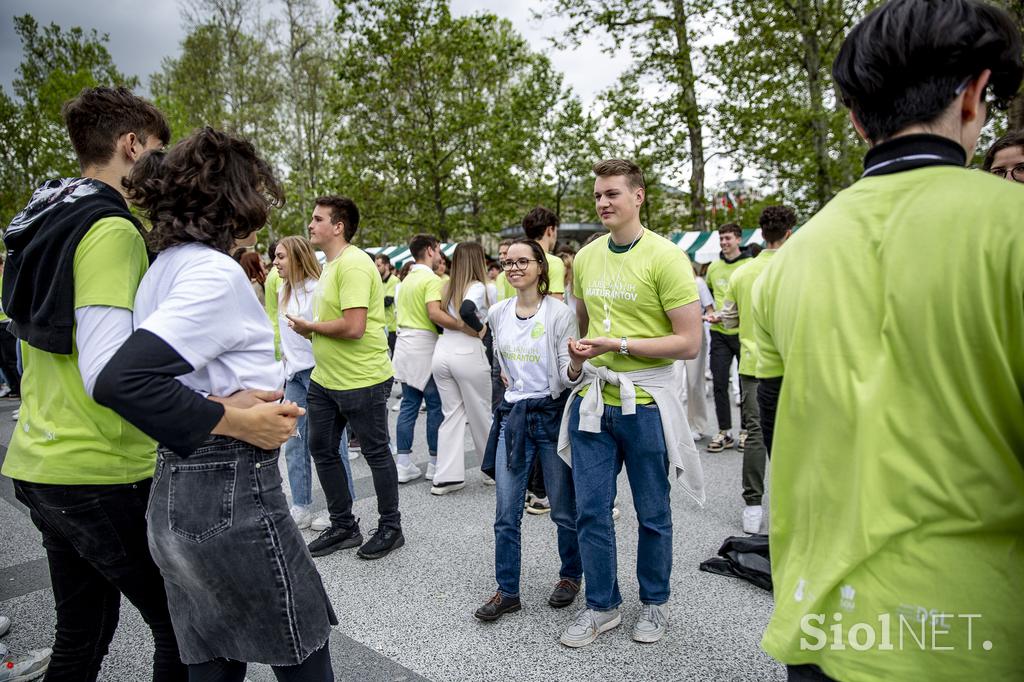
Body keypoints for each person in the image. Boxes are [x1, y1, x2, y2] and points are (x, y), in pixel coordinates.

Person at [752, 1, 1023, 679]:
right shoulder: (1011, 226)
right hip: (975, 635)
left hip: (823, 627)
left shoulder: (784, 262)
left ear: (854, 117)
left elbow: (779, 422)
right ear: (973, 95)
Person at [92, 126, 333, 680]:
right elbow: (121, 379)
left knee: (213, 652)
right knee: (301, 643)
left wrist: (215, 404)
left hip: (178, 485)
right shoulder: (213, 272)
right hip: (230, 486)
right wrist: (238, 420)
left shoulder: (166, 266)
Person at [0, 86, 187, 681]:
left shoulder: (46, 219)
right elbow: (109, 371)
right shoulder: (110, 228)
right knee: (184, 626)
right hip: (98, 468)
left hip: (39, 460)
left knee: (81, 637)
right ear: (132, 146)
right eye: (157, 150)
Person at [557, 159, 704, 648]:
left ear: (638, 197)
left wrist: (618, 344)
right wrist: (579, 358)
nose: (603, 202)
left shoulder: (666, 258)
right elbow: (583, 324)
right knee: (591, 510)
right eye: (598, 194)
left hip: (646, 403)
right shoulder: (588, 256)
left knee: (652, 512)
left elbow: (688, 342)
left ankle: (655, 604)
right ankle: (601, 607)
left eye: (613, 194)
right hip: (594, 400)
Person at [285, 195, 402, 561]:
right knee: (321, 447)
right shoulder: (330, 265)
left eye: (318, 219)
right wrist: (312, 332)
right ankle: (344, 526)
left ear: (338, 226)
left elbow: (354, 326)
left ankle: (390, 527)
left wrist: (311, 327)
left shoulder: (353, 264)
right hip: (326, 379)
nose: (310, 225)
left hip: (362, 379)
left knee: (375, 453)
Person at [474, 239, 584, 621]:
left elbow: (569, 378)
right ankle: (508, 591)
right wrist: (504, 377)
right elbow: (498, 358)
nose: (515, 267)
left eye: (523, 261)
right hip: (515, 417)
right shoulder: (499, 311)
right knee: (506, 512)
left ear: (541, 266)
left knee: (563, 510)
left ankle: (570, 575)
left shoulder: (559, 314)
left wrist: (574, 366)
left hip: (551, 416)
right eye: (508, 262)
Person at [709, 205, 795, 535]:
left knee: (757, 433)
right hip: (793, 362)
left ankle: (753, 505)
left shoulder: (742, 274)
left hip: (753, 363)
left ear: (761, 233)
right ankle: (795, 506)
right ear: (789, 233)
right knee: (797, 434)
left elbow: (728, 318)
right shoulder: (798, 266)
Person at [273, 235, 356, 530]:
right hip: (294, 376)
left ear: (296, 258)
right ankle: (301, 505)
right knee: (294, 445)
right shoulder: (282, 290)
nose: (275, 262)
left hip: (320, 374)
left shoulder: (317, 290)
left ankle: (344, 509)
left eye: (281, 257)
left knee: (332, 444)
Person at [391, 234, 465, 483]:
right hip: (425, 345)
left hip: (405, 344)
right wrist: (461, 325)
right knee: (434, 405)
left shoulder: (404, 280)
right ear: (430, 250)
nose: (440, 255)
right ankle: (434, 462)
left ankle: (403, 463)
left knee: (409, 405)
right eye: (439, 250)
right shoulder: (431, 279)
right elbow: (434, 313)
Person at [430, 242, 495, 494]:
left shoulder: (446, 285)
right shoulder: (477, 286)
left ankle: (446, 477)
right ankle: (491, 470)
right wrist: (481, 330)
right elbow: (468, 309)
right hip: (467, 351)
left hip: (442, 350)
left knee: (452, 413)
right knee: (480, 413)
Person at [704, 222, 750, 452]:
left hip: (744, 333)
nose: (724, 242)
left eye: (728, 238)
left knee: (745, 385)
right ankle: (724, 432)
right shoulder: (713, 267)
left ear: (738, 239)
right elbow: (711, 297)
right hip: (719, 334)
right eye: (721, 238)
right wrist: (711, 314)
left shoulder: (749, 265)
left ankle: (746, 431)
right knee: (720, 383)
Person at [521, 207, 566, 301]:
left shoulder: (512, 263)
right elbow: (556, 308)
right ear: (550, 230)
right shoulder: (554, 262)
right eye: (556, 231)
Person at [376, 252, 399, 356]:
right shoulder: (378, 281)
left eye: (378, 266)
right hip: (381, 327)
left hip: (392, 328)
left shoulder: (395, 281)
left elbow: (387, 302)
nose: (376, 268)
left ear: (387, 265)